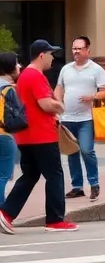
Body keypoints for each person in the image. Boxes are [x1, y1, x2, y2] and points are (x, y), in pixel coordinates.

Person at [0, 40, 76, 233]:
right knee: (55, 175)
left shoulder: (25, 75)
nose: (53, 58)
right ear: (41, 55)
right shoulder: (35, 75)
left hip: (26, 136)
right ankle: (55, 220)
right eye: (51, 54)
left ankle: (6, 212)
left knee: (30, 175)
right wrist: (60, 105)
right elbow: (46, 104)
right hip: (42, 135)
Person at [55, 36, 105, 201]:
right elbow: (59, 88)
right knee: (72, 152)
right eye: (74, 48)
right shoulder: (66, 69)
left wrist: (93, 97)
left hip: (86, 119)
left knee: (87, 150)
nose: (76, 52)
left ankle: (94, 183)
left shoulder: (96, 69)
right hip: (67, 118)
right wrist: (58, 103)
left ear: (88, 50)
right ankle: (77, 186)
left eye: (79, 48)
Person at [0, 52, 22, 201]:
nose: (19, 66)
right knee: (3, 175)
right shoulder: (8, 90)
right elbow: (17, 115)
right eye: (16, 63)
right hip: (4, 135)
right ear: (10, 67)